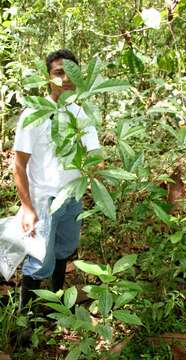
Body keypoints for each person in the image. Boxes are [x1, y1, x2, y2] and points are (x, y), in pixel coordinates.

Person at [13, 49, 101, 309]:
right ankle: (25, 318)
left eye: (71, 73)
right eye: (59, 73)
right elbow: (19, 166)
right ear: (48, 77)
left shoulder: (80, 113)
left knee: (63, 251)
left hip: (72, 198)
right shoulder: (34, 114)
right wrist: (28, 208)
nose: (66, 79)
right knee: (40, 260)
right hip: (44, 200)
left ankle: (57, 307)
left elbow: (94, 155)